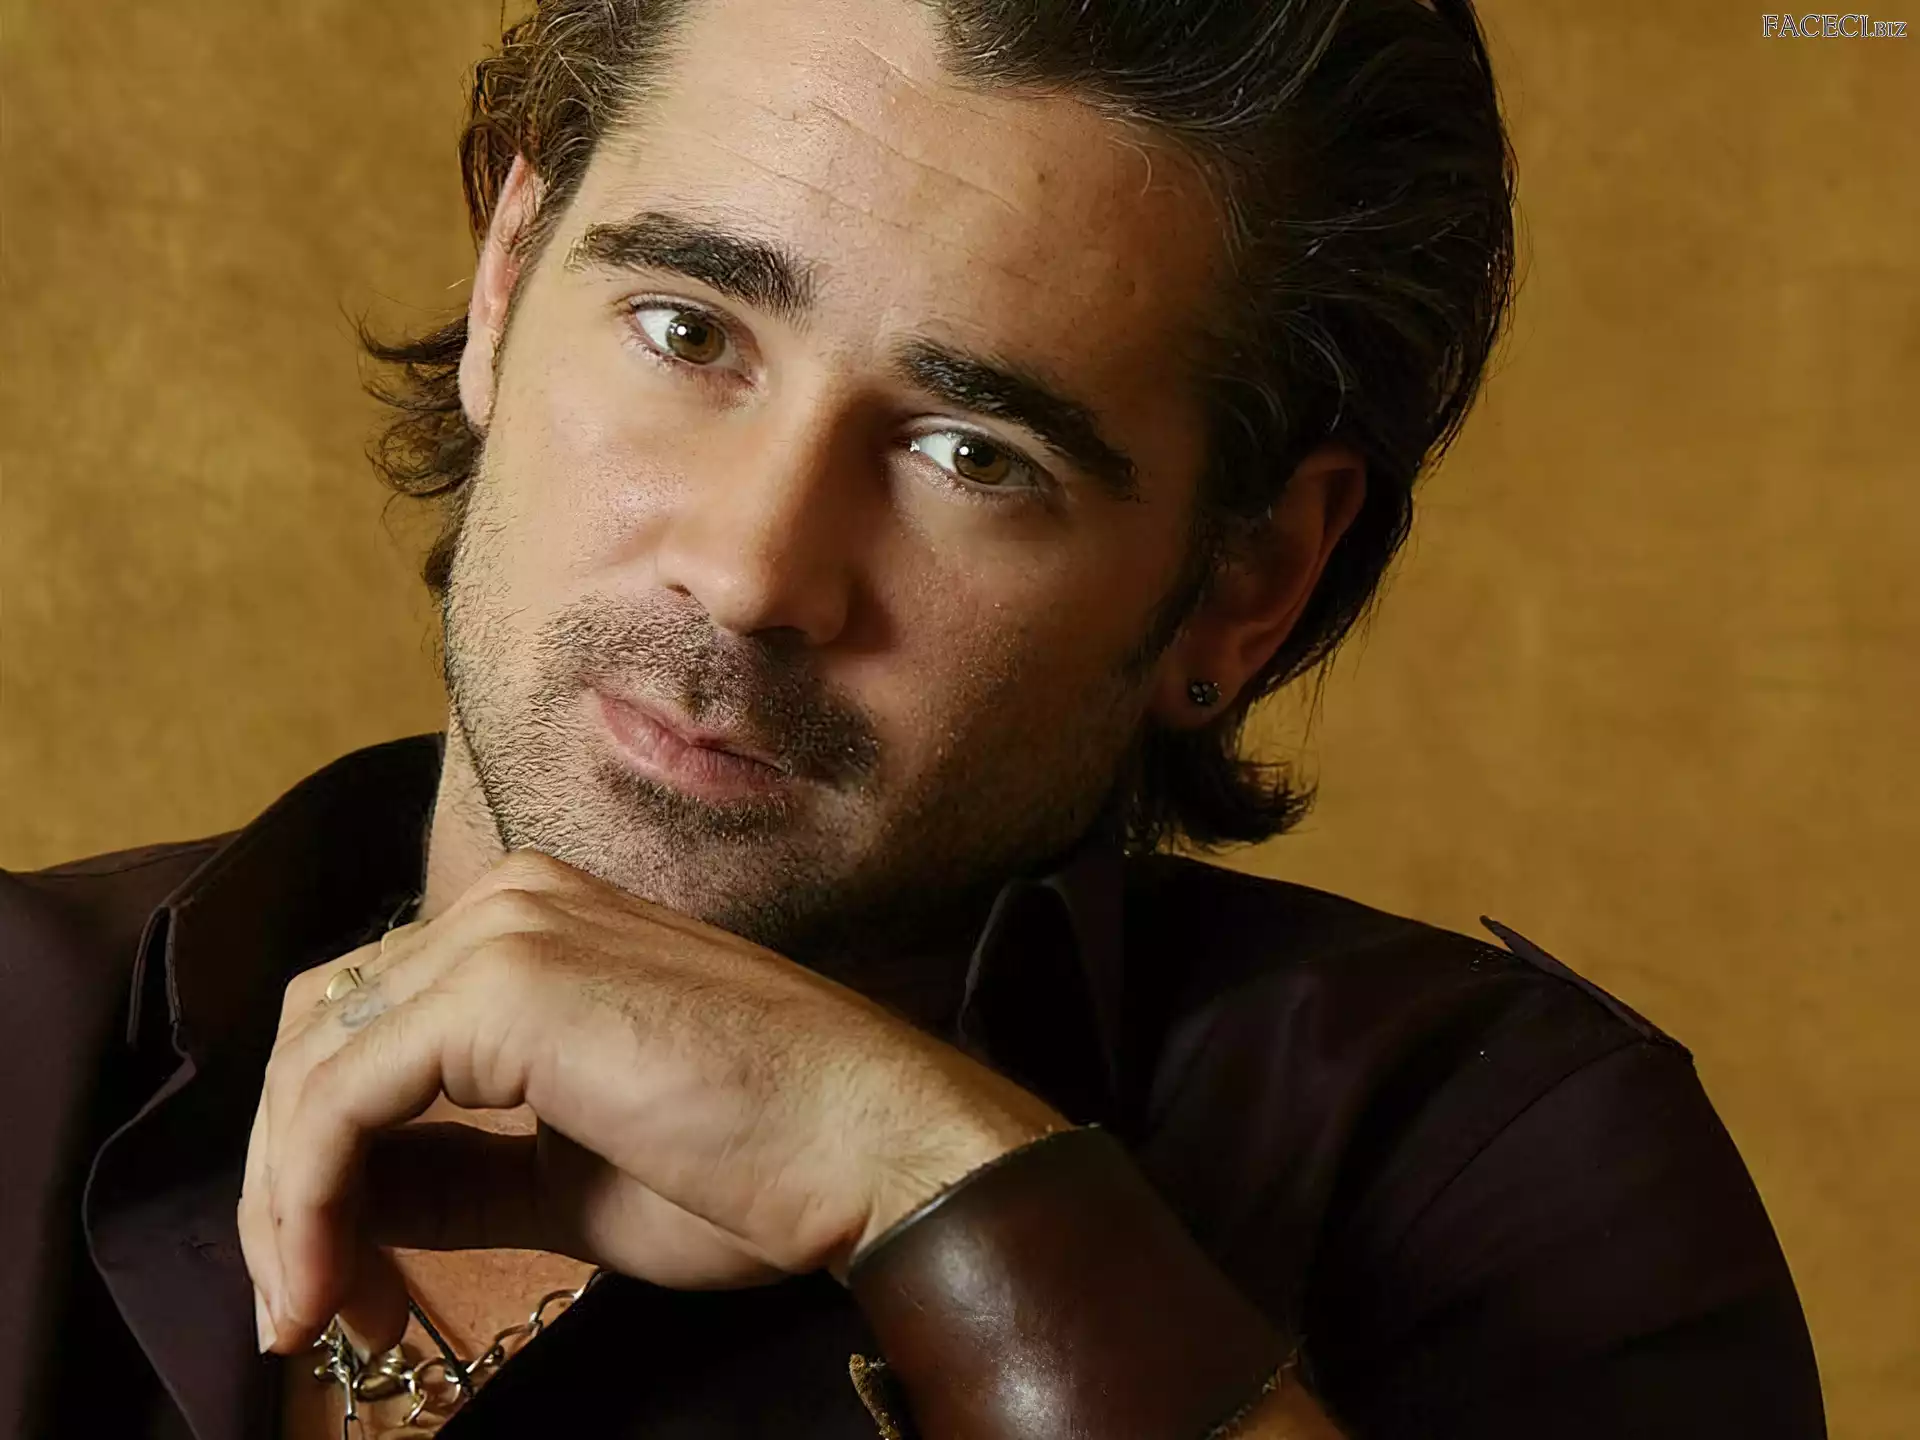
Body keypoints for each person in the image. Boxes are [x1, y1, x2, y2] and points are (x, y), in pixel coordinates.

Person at [0, 0, 1826, 1435]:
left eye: (975, 454)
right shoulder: (23, 1034)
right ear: (508, 279)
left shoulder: (1489, 1187)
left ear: (1246, 580)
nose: (753, 571)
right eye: (687, 331)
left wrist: (931, 1189)